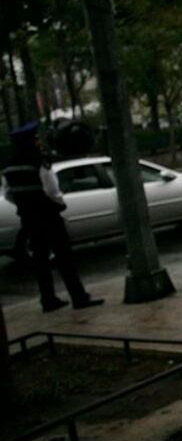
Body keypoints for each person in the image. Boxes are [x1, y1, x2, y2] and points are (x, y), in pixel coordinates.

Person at [1, 122, 103, 312]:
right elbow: (51, 190)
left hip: (28, 218)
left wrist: (25, 206)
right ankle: (79, 297)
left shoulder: (8, 166)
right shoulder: (40, 161)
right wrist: (59, 204)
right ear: (32, 141)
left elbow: (8, 193)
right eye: (36, 139)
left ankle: (48, 300)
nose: (39, 142)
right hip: (48, 217)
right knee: (65, 258)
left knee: (40, 260)